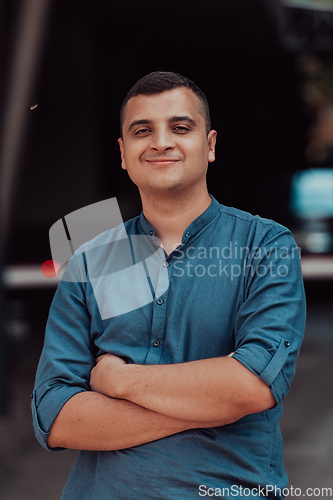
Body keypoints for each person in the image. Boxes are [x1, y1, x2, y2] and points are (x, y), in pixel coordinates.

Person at [32, 71, 306, 500]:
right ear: (123, 153)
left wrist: (119, 381)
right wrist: (211, 405)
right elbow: (55, 415)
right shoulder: (91, 259)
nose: (161, 142)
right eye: (143, 131)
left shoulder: (264, 245)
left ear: (210, 145)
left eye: (180, 127)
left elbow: (251, 385)